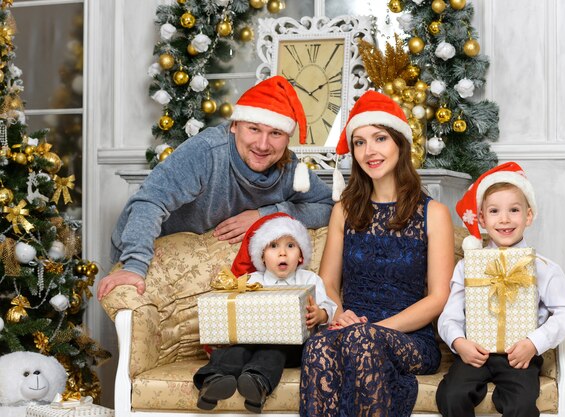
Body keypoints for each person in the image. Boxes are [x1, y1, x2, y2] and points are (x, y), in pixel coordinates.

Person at [97, 76, 334, 301]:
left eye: (275, 133)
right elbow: (149, 201)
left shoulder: (290, 168)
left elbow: (326, 207)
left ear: (287, 138)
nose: (263, 144)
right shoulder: (207, 152)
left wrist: (265, 215)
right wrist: (135, 265)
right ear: (235, 126)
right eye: (254, 129)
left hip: (210, 265)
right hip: (147, 246)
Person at [299, 90, 455, 416]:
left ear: (399, 142)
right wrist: (341, 315)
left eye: (380, 138)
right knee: (317, 346)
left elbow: (438, 297)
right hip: (352, 329)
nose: (369, 150)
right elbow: (328, 281)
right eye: (359, 142)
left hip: (409, 338)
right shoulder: (343, 210)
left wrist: (378, 329)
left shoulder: (433, 213)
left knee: (363, 341)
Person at [436, 162, 565, 417]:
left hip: (520, 357)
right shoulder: (467, 267)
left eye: (514, 210)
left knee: (521, 404)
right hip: (475, 354)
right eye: (494, 211)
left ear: (528, 215)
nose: (504, 219)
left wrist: (534, 342)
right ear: (482, 218)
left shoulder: (543, 268)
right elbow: (449, 316)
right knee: (451, 395)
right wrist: (459, 342)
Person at [194, 212, 337, 413]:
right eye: (273, 246)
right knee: (237, 350)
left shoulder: (309, 279)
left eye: (290, 245)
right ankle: (213, 381)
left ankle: (256, 384)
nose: (282, 253)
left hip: (293, 348)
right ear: (262, 255)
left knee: (273, 351)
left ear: (301, 254)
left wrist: (320, 314)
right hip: (252, 341)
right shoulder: (252, 281)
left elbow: (329, 306)